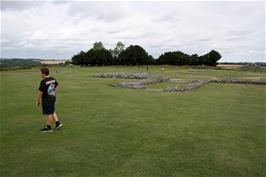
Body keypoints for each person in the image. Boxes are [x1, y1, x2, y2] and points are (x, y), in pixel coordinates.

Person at [36, 67, 62, 133]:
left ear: (44, 73)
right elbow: (57, 85)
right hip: (52, 97)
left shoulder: (43, 81)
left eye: (41, 73)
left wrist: (38, 101)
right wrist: (52, 91)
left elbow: (40, 92)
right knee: (52, 110)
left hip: (46, 99)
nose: (40, 74)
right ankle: (57, 123)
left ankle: (48, 127)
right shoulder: (53, 78)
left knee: (49, 113)